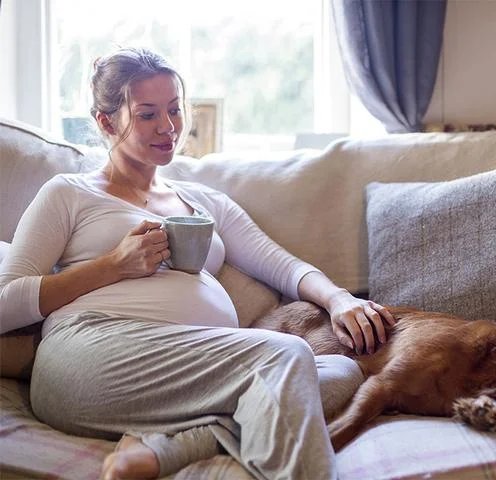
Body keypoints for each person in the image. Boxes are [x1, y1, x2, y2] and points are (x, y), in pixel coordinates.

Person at [0, 46, 395, 479]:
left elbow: (279, 264)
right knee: (284, 358)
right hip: (91, 354)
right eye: (148, 114)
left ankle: (161, 450)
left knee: (340, 370)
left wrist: (340, 300)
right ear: (106, 122)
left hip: (193, 370)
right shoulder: (70, 193)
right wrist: (114, 264)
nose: (168, 127)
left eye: (174, 109)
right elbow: (5, 302)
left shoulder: (204, 202)